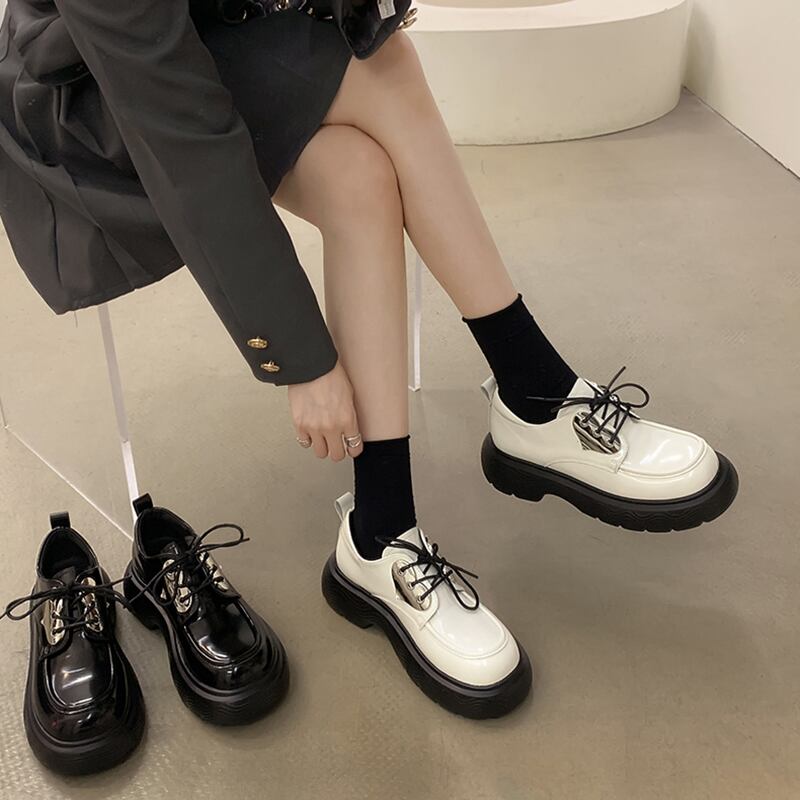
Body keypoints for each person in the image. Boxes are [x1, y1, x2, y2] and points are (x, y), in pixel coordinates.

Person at [0, 0, 737, 717]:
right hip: (94, 97)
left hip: (211, 37)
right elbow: (175, 125)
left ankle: (380, 537)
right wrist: (301, 360)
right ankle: (533, 393)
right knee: (381, 72)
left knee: (358, 176)